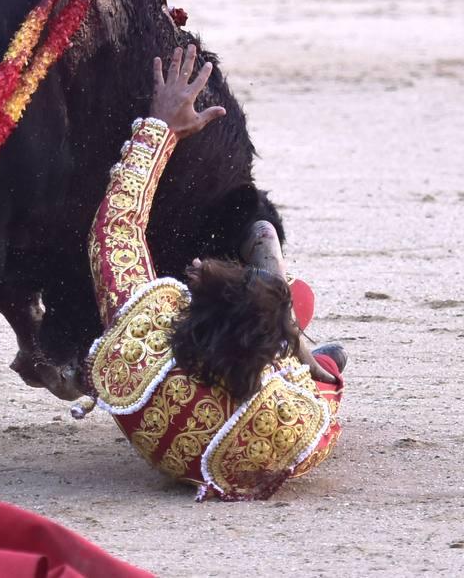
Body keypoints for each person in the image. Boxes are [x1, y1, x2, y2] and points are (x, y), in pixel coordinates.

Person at [85, 45, 344, 501]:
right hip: (221, 432)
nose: (204, 265)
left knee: (292, 303)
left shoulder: (141, 340)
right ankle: (305, 340)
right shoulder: (295, 423)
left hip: (174, 384)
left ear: (193, 310)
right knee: (307, 320)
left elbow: (115, 226)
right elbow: (327, 408)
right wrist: (299, 351)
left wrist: (162, 127)